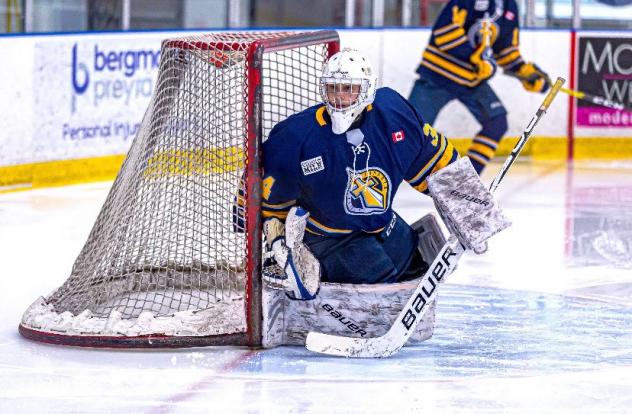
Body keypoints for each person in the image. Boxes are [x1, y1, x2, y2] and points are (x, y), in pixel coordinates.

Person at [258, 48, 460, 299]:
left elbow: (434, 160)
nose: (339, 97)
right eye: (332, 88)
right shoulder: (295, 136)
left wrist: (466, 200)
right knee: (381, 286)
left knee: (415, 264)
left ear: (366, 90)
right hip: (327, 237)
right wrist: (276, 244)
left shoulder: (392, 113)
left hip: (379, 222)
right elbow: (267, 205)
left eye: (347, 88)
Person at [408, 0, 549, 174]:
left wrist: (524, 72)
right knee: (409, 131)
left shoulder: (509, 7)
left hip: (471, 82)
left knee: (496, 123)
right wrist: (473, 57)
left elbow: (506, 49)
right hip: (438, 77)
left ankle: (464, 181)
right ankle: (376, 175)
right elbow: (444, 32)